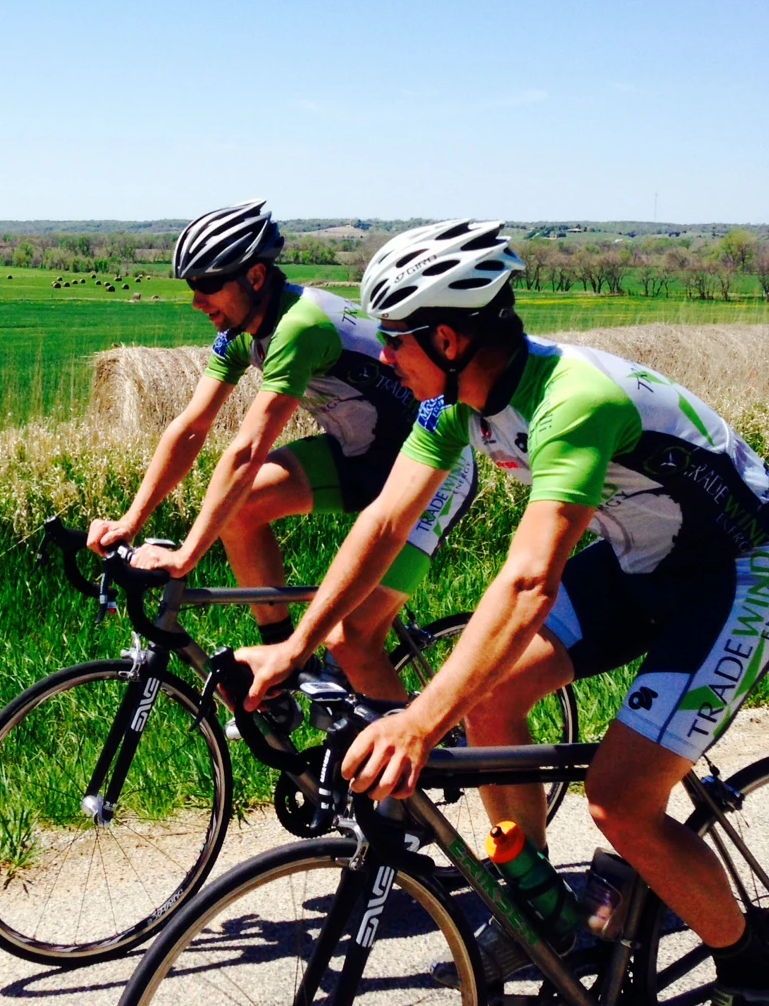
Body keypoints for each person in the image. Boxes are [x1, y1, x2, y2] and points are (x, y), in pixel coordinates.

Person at [237, 218, 769, 1001]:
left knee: (620, 803)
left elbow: (527, 585)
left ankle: (754, 961)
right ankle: (539, 906)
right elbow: (384, 523)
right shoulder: (453, 401)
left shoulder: (572, 402)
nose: (382, 357)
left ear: (448, 339)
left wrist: (418, 721)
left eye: (396, 340)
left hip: (735, 576)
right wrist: (296, 645)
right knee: (487, 696)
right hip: (640, 560)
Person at [88, 200, 476, 702]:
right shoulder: (240, 333)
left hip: (434, 470)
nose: (196, 302)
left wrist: (186, 556)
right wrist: (131, 521)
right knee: (240, 508)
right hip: (361, 457)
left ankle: (405, 760)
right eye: (192, 287)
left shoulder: (300, 325)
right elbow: (191, 428)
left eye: (208, 285)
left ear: (253, 276)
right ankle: (286, 666)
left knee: (352, 637)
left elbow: (247, 450)